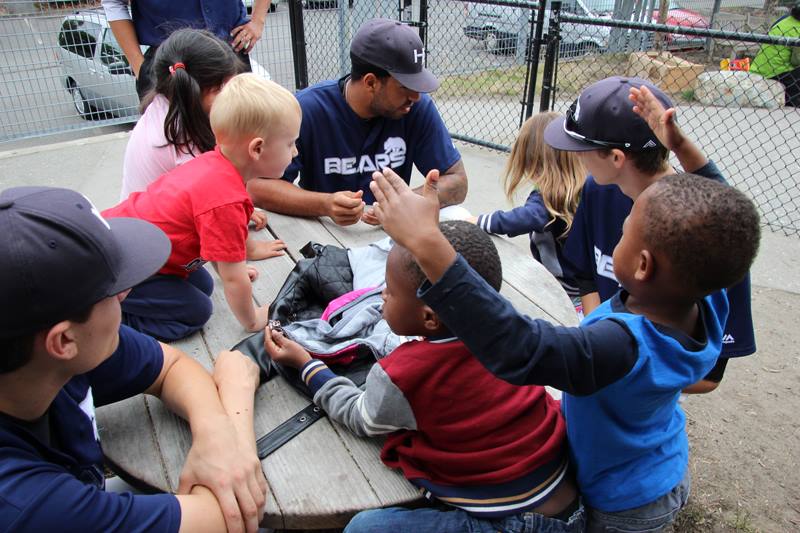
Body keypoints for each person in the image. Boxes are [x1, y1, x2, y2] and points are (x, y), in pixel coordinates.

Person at [368, 165, 760, 532]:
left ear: (642, 265)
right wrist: (687, 153)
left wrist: (427, 243)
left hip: (624, 503)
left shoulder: (620, 347)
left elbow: (520, 347)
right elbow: (723, 228)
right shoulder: (706, 295)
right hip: (660, 459)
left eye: (624, 233)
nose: (618, 236)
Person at [263, 220, 584, 533]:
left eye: (389, 291)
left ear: (429, 318)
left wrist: (307, 365)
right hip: (569, 493)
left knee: (364, 528)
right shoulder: (516, 333)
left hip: (512, 522)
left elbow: (359, 415)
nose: (381, 296)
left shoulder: (405, 373)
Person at [0, 186, 267, 533]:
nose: (128, 293)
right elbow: (226, 520)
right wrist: (236, 397)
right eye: (113, 290)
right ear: (64, 340)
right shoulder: (28, 505)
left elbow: (171, 367)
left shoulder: (43, 357)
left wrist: (215, 433)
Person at [546, 76, 756, 394]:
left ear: (616, 159)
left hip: (640, 385)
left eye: (582, 148)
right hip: (605, 357)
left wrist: (619, 364)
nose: (576, 156)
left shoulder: (705, 230)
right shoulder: (597, 189)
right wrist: (598, 338)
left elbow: (710, 374)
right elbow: (587, 277)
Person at [103, 73, 301, 341]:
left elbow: (224, 256)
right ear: (257, 149)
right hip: (118, 268)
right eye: (290, 143)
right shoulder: (225, 200)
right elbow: (233, 279)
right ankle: (108, 319)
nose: (295, 152)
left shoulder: (216, 165)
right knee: (196, 311)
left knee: (204, 284)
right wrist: (252, 319)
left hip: (131, 247)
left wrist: (234, 268)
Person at [247, 18, 468, 227]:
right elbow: (257, 187)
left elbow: (457, 181)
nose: (416, 95)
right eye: (405, 86)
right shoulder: (307, 109)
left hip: (391, 232)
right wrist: (324, 204)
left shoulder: (415, 107)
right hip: (325, 229)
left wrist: (401, 204)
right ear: (371, 82)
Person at [120, 29, 285, 261]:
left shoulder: (165, 107)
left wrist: (243, 211)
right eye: (221, 89)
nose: (230, 96)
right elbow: (218, 199)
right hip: (155, 251)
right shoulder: (182, 143)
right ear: (193, 90)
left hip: (144, 224)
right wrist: (245, 252)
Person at [471, 112, 585, 307]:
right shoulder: (580, 187)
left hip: (565, 289)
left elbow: (527, 217)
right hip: (583, 283)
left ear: (532, 158)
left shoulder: (549, 196)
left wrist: (478, 222)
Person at [101, 0, 270, 98]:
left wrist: (258, 21)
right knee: (178, 147)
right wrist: (139, 66)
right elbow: (113, 2)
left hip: (230, 55)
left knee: (241, 137)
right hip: (170, 64)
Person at [750, 3, 800, 107]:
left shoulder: (784, 19)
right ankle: (792, 104)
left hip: (758, 68)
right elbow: (796, 60)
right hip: (776, 73)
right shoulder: (798, 29)